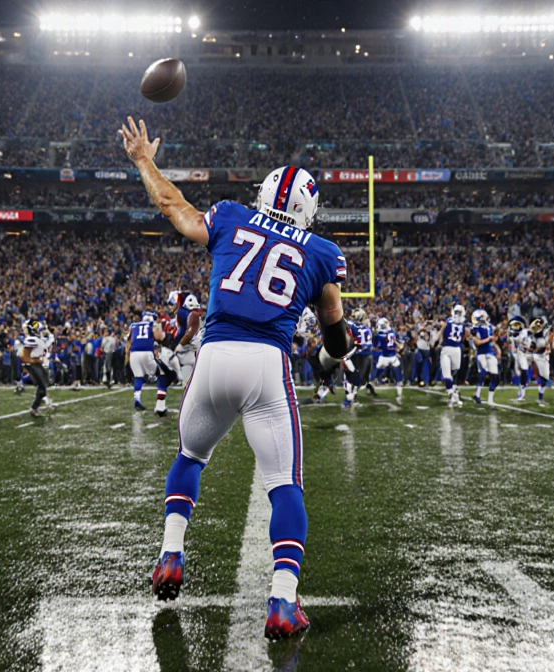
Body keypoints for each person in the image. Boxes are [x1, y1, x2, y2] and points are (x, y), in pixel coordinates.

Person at [121, 116, 348, 641]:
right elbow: (334, 332)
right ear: (308, 209)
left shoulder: (230, 216)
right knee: (284, 486)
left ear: (264, 194)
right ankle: (282, 604)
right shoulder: (322, 254)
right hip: (266, 364)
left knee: (189, 457)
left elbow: (172, 206)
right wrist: (336, 353)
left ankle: (170, 556)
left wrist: (142, 160)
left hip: (214, 356)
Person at [18, 319, 58, 415]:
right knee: (42, 386)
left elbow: (49, 341)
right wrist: (33, 361)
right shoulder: (31, 339)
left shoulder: (39, 338)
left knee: (44, 385)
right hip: (34, 365)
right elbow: (23, 356)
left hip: (39, 363)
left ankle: (35, 407)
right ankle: (34, 407)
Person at [126, 311, 159, 411]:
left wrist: (127, 356)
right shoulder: (153, 325)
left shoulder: (133, 325)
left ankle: (137, 400)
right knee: (161, 372)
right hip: (147, 352)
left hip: (134, 352)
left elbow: (129, 341)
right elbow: (158, 336)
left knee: (138, 377)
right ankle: (161, 403)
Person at [470, 309, 500, 406]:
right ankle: (477, 394)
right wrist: (489, 338)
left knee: (495, 377)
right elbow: (477, 343)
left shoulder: (490, 327)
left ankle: (490, 399)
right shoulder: (475, 329)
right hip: (481, 353)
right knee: (483, 371)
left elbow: (494, 340)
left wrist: (497, 347)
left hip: (490, 352)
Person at [439, 305, 467, 408]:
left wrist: (437, 341)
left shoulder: (448, 321)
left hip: (447, 348)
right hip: (457, 349)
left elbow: (442, 332)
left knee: (448, 375)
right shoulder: (463, 323)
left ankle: (451, 394)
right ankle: (454, 395)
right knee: (453, 373)